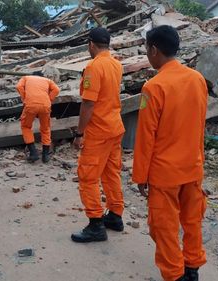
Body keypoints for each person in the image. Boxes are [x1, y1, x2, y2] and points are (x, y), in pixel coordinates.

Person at [132, 26, 208, 281]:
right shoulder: (197, 79)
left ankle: (175, 275)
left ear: (154, 49)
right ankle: (192, 269)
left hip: (165, 174)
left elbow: (145, 137)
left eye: (147, 50)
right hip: (192, 167)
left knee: (162, 228)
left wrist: (141, 175)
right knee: (192, 221)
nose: (147, 55)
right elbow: (200, 126)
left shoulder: (154, 87)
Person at [71, 27, 125, 243]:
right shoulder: (116, 64)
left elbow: (88, 103)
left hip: (98, 131)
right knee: (111, 173)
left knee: (88, 177)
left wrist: (79, 133)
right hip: (115, 128)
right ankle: (115, 215)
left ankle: (95, 224)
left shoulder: (93, 67)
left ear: (91, 44)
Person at [16, 75, 60, 163]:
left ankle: (33, 153)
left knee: (26, 127)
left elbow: (18, 86)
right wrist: (49, 99)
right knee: (45, 128)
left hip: (30, 105)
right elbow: (57, 90)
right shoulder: (47, 80)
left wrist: (24, 98)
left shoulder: (26, 78)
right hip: (45, 105)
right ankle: (45, 155)